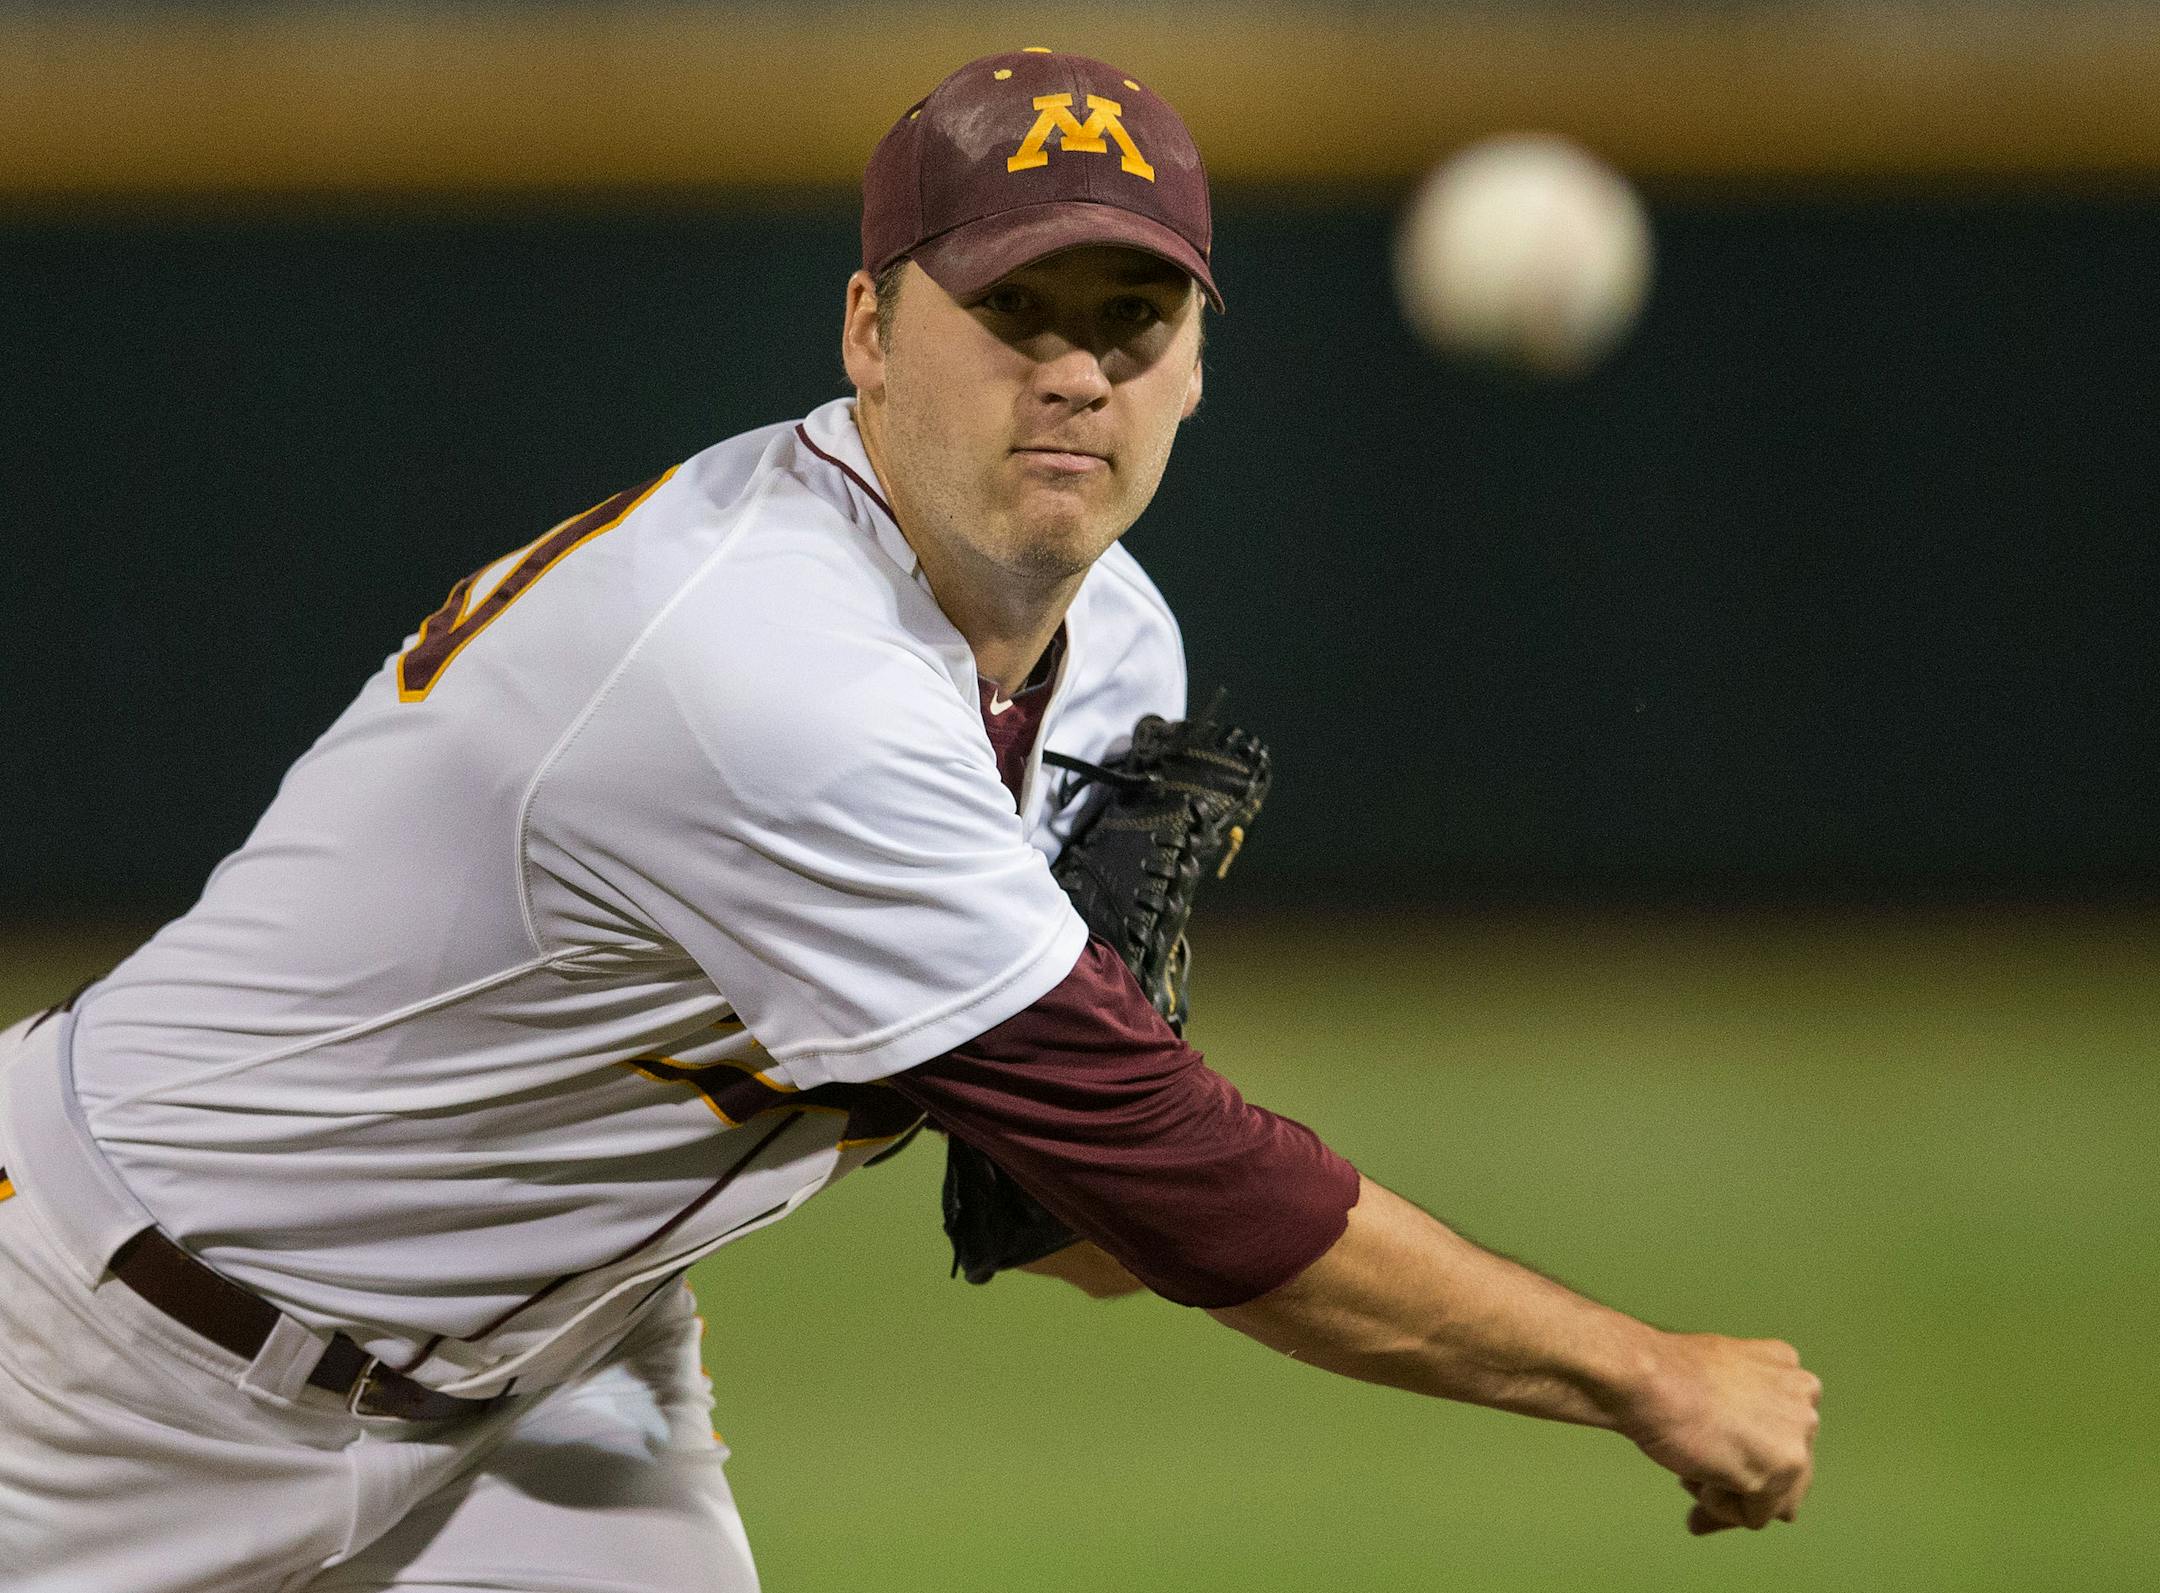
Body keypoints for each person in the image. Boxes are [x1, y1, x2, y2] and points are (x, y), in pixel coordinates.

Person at [0, 47, 1819, 1593]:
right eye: (1013, 308)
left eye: (1134, 317)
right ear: (870, 330)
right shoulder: (763, 662)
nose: (1076, 371)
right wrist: (1638, 1370)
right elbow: (1166, 1177)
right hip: (95, 1350)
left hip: (545, 1371)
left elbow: (1074, 1211)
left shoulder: (1114, 643)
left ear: (1196, 364)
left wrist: (1088, 1171)